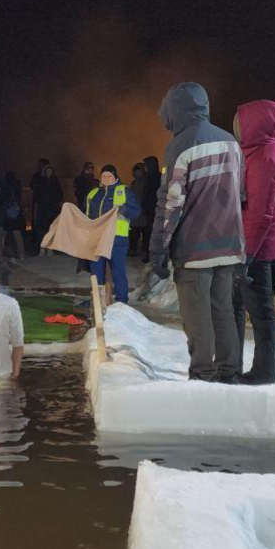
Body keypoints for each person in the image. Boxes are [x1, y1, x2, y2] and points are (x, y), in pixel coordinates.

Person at [149, 82, 245, 383]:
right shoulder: (231, 141)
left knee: (197, 315)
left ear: (176, 110)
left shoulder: (181, 146)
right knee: (223, 311)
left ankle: (202, 375)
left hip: (195, 248)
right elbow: (240, 193)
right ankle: (229, 372)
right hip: (229, 244)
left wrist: (158, 247)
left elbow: (171, 203)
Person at [231, 100, 275, 385]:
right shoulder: (262, 153)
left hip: (253, 249)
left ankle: (264, 371)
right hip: (252, 246)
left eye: (240, 122)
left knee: (259, 311)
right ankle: (232, 365)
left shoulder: (266, 158)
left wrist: (245, 256)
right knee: (240, 306)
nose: (237, 128)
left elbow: (259, 214)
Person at [86, 164, 139, 304]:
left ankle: (121, 301)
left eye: (109, 176)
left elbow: (136, 212)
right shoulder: (93, 194)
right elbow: (88, 215)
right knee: (96, 271)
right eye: (103, 176)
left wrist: (123, 209)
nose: (106, 178)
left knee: (118, 271)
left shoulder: (123, 191)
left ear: (115, 177)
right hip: (97, 238)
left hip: (117, 238)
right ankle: (97, 301)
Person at [32, 164, 63, 255]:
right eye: (47, 171)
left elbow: (60, 196)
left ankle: (50, 249)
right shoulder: (41, 183)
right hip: (43, 210)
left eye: (50, 171)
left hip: (53, 210)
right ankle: (42, 249)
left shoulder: (55, 183)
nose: (49, 173)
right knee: (42, 230)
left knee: (52, 230)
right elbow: (36, 197)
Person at [1, 170, 26, 259]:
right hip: (16, 209)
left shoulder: (5, 185)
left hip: (8, 209)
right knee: (16, 232)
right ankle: (21, 253)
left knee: (4, 233)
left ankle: (0, 252)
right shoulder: (17, 185)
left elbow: (3, 197)